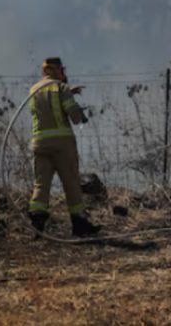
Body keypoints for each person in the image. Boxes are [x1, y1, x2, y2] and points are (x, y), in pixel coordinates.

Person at [27, 57, 101, 237]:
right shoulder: (61, 87)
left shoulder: (34, 89)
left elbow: (44, 109)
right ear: (57, 70)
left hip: (40, 144)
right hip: (62, 144)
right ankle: (79, 224)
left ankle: (37, 222)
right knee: (71, 183)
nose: (64, 74)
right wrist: (77, 109)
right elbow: (74, 116)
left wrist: (68, 92)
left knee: (41, 184)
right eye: (63, 70)